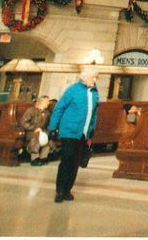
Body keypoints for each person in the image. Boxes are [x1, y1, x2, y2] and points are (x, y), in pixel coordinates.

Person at [48, 68, 100, 203]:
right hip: (69, 131)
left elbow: (93, 113)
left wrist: (91, 129)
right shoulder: (73, 90)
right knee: (67, 159)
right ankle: (59, 190)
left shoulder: (95, 93)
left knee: (76, 162)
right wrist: (53, 127)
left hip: (83, 133)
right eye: (93, 77)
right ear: (84, 78)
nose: (95, 80)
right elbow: (59, 108)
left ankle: (67, 190)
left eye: (95, 78)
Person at [20, 97, 51, 166]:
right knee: (36, 137)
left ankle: (43, 158)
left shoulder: (47, 113)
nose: (48, 103)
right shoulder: (31, 110)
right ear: (41, 102)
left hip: (42, 132)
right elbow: (23, 122)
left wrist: (46, 132)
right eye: (47, 101)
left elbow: (48, 126)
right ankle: (34, 159)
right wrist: (35, 128)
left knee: (48, 140)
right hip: (31, 132)